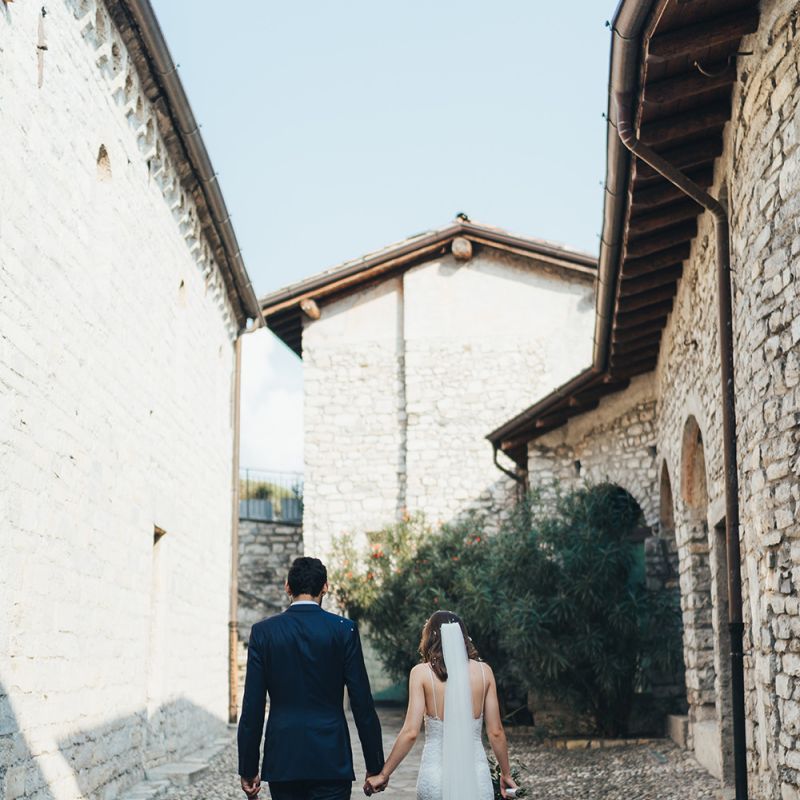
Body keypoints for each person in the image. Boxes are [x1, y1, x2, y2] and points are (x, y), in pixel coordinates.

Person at [238, 556, 385, 800]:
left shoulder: (264, 633)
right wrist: (375, 764)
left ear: (288, 587)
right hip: (331, 757)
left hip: (283, 757)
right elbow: (362, 703)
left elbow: (252, 706)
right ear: (325, 587)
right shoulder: (343, 630)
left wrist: (248, 768)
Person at [363, 610, 518, 800]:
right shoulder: (485, 672)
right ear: (463, 637)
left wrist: (384, 774)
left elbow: (410, 732)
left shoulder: (421, 674)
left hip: (435, 777)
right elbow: (496, 732)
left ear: (429, 638)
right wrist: (506, 774)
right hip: (476, 779)